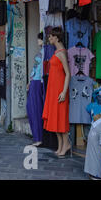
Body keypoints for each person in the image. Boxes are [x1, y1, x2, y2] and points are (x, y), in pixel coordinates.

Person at [42, 27, 71, 158]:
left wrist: (64, 92)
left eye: (51, 36)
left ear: (56, 37)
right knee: (56, 119)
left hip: (59, 90)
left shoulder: (62, 53)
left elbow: (68, 74)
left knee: (61, 119)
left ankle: (66, 145)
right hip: (54, 90)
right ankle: (60, 146)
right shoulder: (57, 51)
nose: (49, 38)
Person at [27, 32, 45, 147]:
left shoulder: (45, 52)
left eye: (39, 39)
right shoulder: (42, 51)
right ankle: (36, 136)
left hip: (38, 82)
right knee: (31, 109)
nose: (38, 41)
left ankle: (39, 138)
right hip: (34, 81)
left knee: (36, 109)